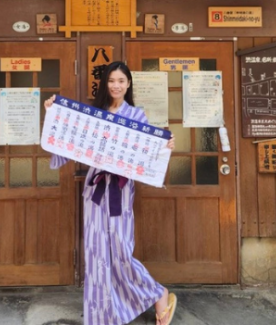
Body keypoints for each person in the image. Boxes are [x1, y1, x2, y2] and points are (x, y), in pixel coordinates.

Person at [44, 61, 177, 325]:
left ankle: (157, 292)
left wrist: (165, 146)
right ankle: (101, 314)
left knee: (119, 251)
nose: (116, 85)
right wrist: (53, 114)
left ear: (128, 85)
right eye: (111, 81)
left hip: (120, 190)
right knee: (95, 252)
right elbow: (67, 142)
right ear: (105, 84)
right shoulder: (94, 114)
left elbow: (148, 154)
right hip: (94, 190)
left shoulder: (137, 116)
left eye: (121, 81)